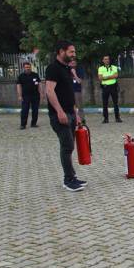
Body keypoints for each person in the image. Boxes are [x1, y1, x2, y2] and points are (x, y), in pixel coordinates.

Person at [45, 40, 85, 192]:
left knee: (70, 146)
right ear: (61, 51)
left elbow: (69, 94)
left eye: (74, 52)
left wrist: (76, 113)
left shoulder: (67, 68)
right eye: (71, 52)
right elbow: (50, 91)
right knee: (67, 145)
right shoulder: (53, 68)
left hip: (70, 113)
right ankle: (68, 180)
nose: (74, 55)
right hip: (59, 115)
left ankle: (72, 177)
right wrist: (60, 112)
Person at [16, 61, 43, 129]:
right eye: (26, 67)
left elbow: (39, 84)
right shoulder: (21, 76)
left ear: (30, 67)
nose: (27, 68)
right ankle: (23, 124)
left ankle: (33, 123)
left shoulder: (35, 75)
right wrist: (19, 95)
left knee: (35, 110)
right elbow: (19, 86)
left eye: (29, 67)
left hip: (35, 95)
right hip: (25, 96)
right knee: (24, 110)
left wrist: (41, 93)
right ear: (24, 68)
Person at [97, 55, 122, 123]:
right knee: (105, 103)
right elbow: (100, 78)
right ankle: (106, 119)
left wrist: (105, 77)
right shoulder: (100, 68)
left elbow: (116, 76)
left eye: (108, 59)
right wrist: (111, 76)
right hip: (105, 87)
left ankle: (117, 118)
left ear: (109, 60)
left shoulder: (114, 67)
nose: (107, 60)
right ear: (103, 60)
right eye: (105, 59)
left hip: (113, 86)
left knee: (115, 103)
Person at [69, 60, 86, 125]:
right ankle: (73, 120)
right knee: (71, 107)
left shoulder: (79, 70)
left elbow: (79, 81)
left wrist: (74, 73)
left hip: (77, 91)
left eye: (74, 62)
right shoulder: (66, 70)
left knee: (79, 106)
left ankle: (82, 120)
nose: (72, 63)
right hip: (69, 91)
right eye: (71, 62)